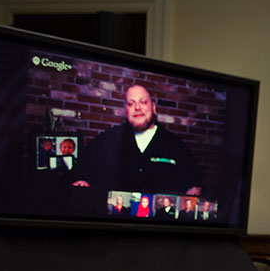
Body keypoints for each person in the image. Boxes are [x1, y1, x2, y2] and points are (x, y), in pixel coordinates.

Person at [73, 84, 203, 196]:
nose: (137, 108)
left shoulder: (175, 145)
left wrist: (194, 189)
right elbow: (79, 172)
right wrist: (81, 182)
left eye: (143, 102)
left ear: (153, 107)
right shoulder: (107, 140)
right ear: (126, 110)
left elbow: (196, 182)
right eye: (131, 103)